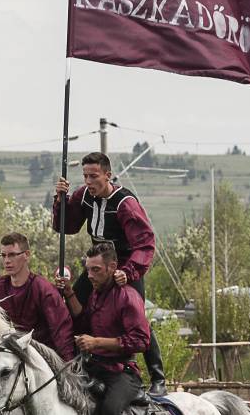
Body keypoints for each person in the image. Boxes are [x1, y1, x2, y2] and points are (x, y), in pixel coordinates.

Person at [53, 151, 167, 396]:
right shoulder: (83, 196)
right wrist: (61, 200)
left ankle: (158, 377)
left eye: (94, 176)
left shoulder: (125, 203)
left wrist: (129, 271)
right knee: (70, 306)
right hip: (98, 266)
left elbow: (145, 243)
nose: (88, 182)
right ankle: (75, 365)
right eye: (85, 176)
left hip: (125, 267)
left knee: (138, 319)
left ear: (108, 175)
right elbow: (67, 226)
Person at [56, 242, 151, 415]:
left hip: (123, 374)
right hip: (94, 367)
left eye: (96, 270)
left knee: (110, 411)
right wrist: (69, 294)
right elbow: (84, 320)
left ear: (112, 267)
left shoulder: (128, 297)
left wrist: (97, 343)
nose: (90, 276)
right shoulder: (97, 294)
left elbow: (141, 340)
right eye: (88, 270)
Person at [0, 232, 76, 361]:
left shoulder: (44, 290)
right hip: (10, 356)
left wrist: (68, 366)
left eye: (12, 255)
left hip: (44, 358)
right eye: (3, 255)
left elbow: (61, 331)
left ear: (26, 255)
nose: (6, 260)